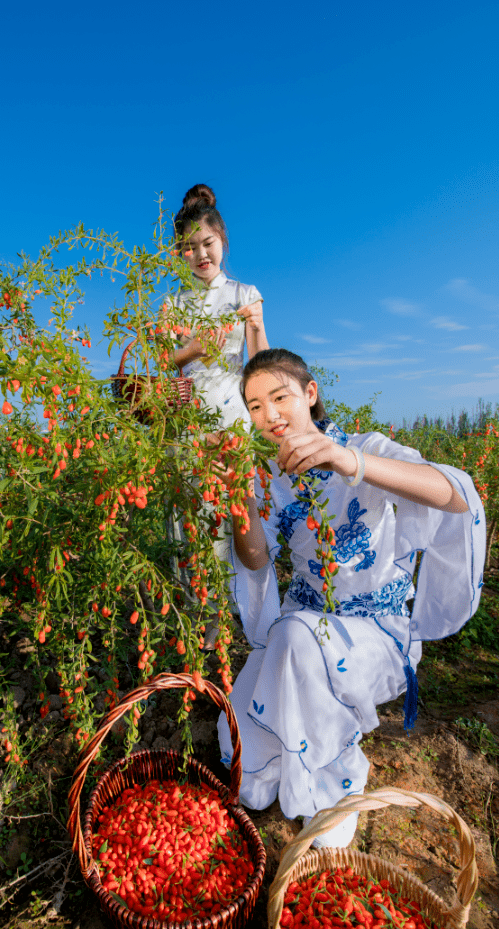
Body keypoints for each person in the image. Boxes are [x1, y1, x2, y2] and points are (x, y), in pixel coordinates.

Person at [217, 348, 486, 847]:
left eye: (280, 397)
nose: (269, 414)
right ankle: (289, 764)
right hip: (303, 626)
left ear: (310, 393)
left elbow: (453, 494)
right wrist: (237, 495)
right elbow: (255, 559)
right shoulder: (270, 479)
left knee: (294, 640)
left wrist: (350, 461)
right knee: (248, 761)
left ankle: (333, 786)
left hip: (374, 631)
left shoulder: (366, 447)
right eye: (254, 406)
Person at [169, 183, 269, 429]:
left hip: (233, 411)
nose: (201, 254)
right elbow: (162, 362)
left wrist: (257, 326)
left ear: (222, 239)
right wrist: (192, 351)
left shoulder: (245, 295)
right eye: (190, 248)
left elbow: (261, 366)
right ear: (180, 251)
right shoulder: (173, 303)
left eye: (208, 243)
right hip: (184, 415)